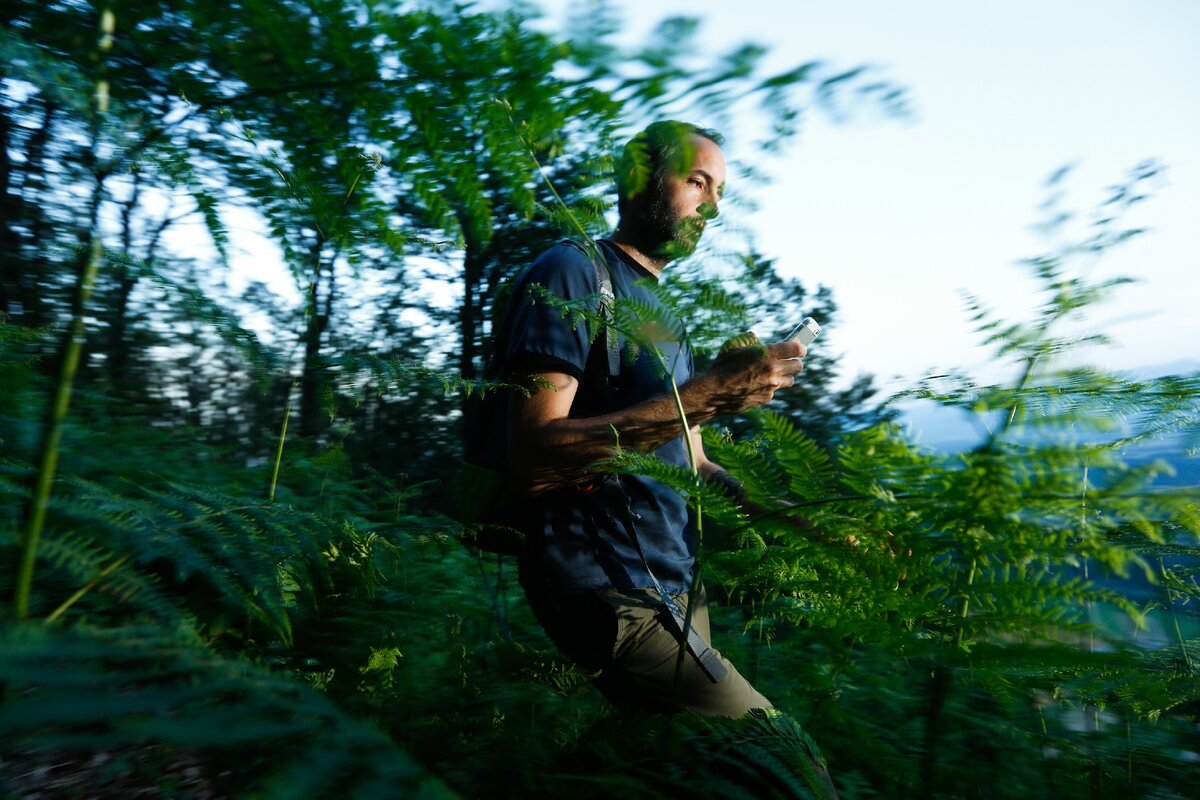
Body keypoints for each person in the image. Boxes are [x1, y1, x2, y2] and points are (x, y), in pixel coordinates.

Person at [499, 121, 809, 719]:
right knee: (782, 762)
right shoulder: (572, 272)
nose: (712, 207)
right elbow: (534, 449)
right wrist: (711, 393)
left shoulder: (665, 315)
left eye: (719, 192)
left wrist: (794, 518)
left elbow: (693, 464)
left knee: (661, 768)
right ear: (636, 178)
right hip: (608, 585)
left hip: (673, 587)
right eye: (698, 181)